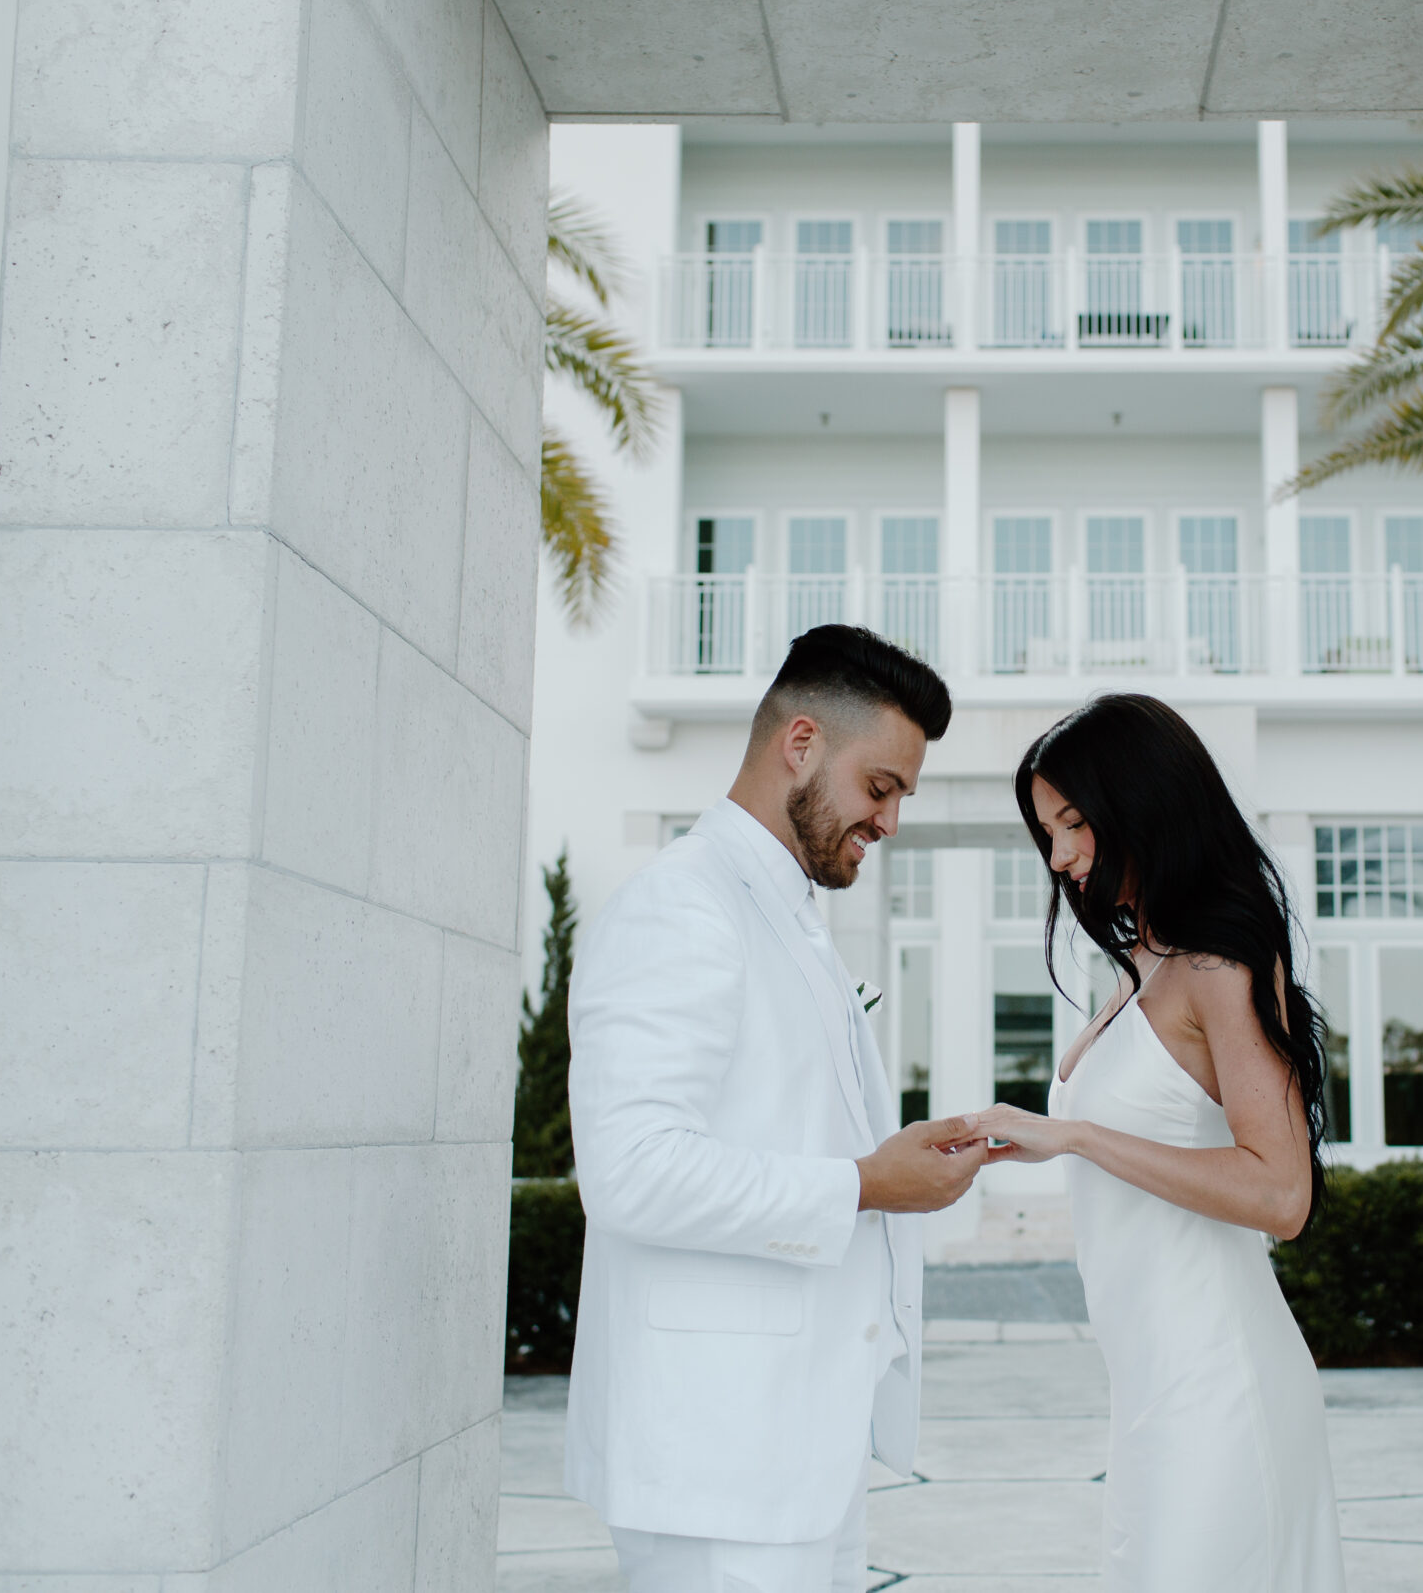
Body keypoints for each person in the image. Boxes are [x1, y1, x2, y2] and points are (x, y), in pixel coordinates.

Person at [563, 624, 990, 1593]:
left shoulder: (783, 913)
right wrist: (866, 1183)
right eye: (880, 788)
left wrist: (889, 1161)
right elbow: (632, 1173)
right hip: (716, 1461)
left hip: (793, 1451)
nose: (889, 823)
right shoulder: (683, 908)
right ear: (800, 743)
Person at [970, 692, 1347, 1593]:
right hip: (1152, 1394)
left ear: (1143, 802)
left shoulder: (1221, 965)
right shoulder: (1141, 967)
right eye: (1045, 830)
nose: (1058, 856)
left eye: (1073, 823)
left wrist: (1078, 1136)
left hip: (1220, 1384)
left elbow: (1280, 1193)